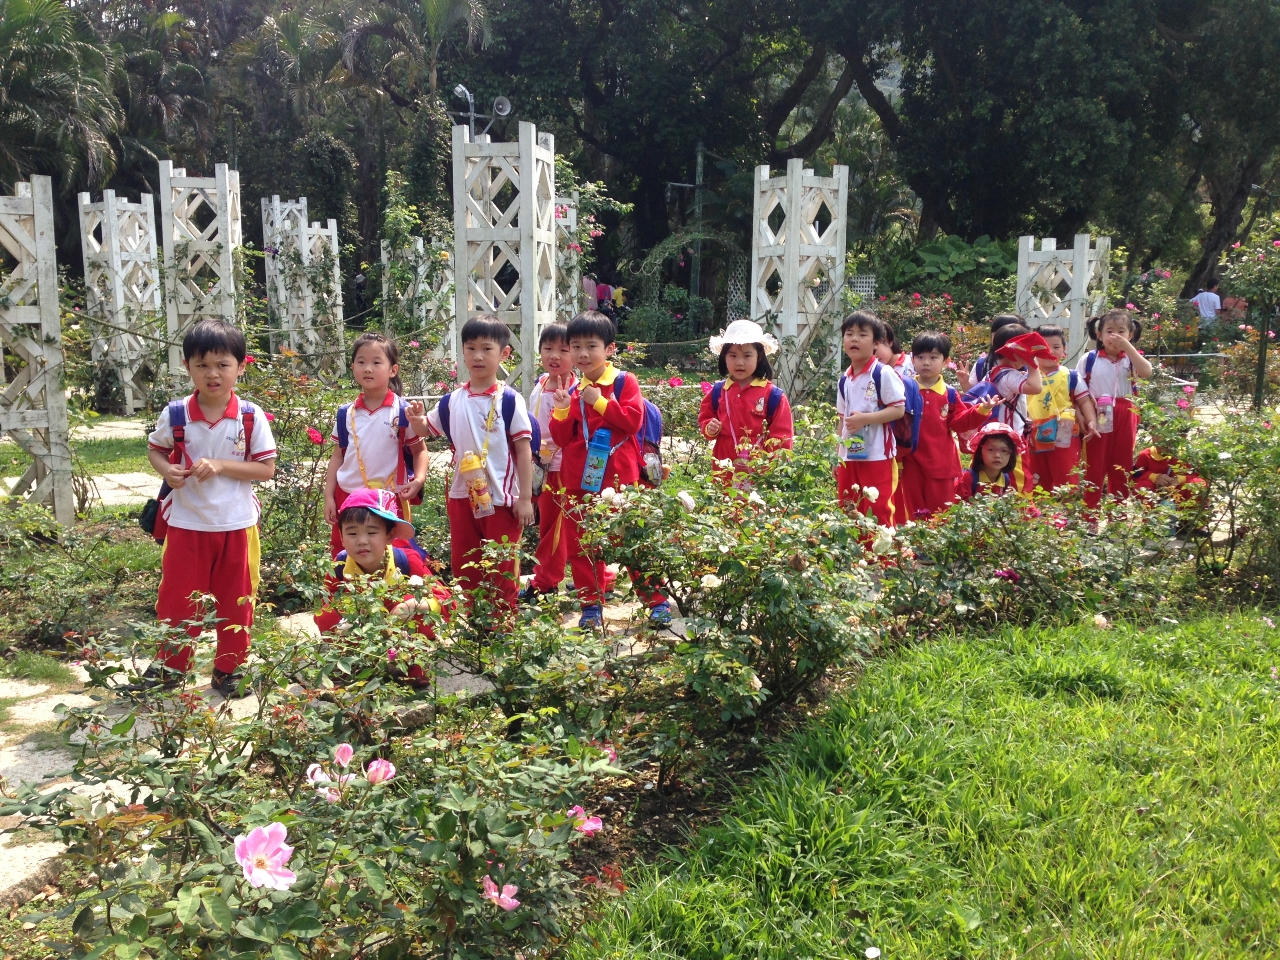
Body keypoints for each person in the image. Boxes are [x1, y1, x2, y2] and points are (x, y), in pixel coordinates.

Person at [139, 319, 277, 696]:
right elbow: (156, 448)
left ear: (241, 366)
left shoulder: (250, 416)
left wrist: (220, 465)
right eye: (202, 365)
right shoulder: (177, 414)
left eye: (222, 365)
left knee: (237, 603)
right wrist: (168, 469)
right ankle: (171, 666)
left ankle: (229, 670)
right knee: (177, 600)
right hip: (186, 525)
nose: (212, 374)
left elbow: (266, 469)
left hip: (237, 525)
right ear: (187, 367)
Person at [549, 310, 672, 629]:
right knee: (582, 545)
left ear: (610, 348)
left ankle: (656, 600)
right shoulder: (574, 390)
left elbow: (633, 421)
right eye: (575, 346)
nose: (582, 353)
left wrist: (599, 401)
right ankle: (591, 605)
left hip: (621, 479)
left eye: (591, 345)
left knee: (632, 539)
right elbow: (563, 440)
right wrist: (561, 410)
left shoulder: (623, 381)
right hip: (581, 480)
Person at [408, 315, 535, 617]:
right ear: (462, 351)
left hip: (503, 500)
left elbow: (523, 449)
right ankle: (477, 624)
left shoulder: (510, 400)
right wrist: (417, 422)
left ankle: (503, 627)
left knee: (502, 566)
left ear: (504, 354)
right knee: (465, 563)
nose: (478, 356)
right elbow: (430, 429)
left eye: (487, 349)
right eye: (471, 348)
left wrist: (527, 499)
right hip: (462, 496)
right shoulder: (452, 400)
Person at [323, 333, 426, 558]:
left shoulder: (403, 411)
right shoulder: (346, 413)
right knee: (345, 553)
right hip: (348, 496)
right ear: (353, 367)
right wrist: (329, 497)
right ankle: (346, 594)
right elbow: (338, 457)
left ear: (393, 370)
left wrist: (418, 481)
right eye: (361, 362)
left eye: (376, 362)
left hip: (388, 497)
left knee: (393, 555)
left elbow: (420, 451)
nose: (367, 368)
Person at [897, 331, 994, 520]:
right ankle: (916, 548)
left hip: (941, 464)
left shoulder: (949, 393)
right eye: (921, 357)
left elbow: (959, 422)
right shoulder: (904, 389)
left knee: (941, 512)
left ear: (945, 361)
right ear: (912, 359)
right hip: (911, 463)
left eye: (933, 357)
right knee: (913, 509)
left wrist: (981, 410)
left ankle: (937, 549)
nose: (926, 362)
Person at [521, 323, 576, 603]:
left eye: (563, 350)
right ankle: (596, 578)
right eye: (548, 348)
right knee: (555, 526)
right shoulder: (541, 383)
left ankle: (546, 581)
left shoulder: (576, 389)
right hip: (540, 466)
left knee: (556, 528)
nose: (555, 356)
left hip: (562, 468)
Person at [1077, 308, 1153, 508]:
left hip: (1126, 413)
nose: (1115, 336)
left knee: (1122, 465)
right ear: (1099, 335)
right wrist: (1082, 416)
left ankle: (1117, 514)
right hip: (1097, 412)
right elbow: (1077, 392)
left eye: (1122, 331)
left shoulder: (1131, 358)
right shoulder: (1089, 359)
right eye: (1110, 331)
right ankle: (1089, 514)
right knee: (1094, 465)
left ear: (1131, 335)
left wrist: (1129, 348)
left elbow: (1147, 372)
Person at [836, 311, 906, 526]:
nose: (854, 339)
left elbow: (898, 409)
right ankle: (855, 557)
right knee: (848, 507)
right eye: (849, 334)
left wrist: (865, 419)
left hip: (877, 455)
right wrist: (837, 456)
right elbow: (842, 419)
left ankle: (882, 559)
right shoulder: (844, 379)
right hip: (850, 456)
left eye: (862, 334)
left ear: (876, 343)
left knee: (878, 509)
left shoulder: (883, 373)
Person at [698, 319, 794, 475]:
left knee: (756, 500)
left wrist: (773, 467)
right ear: (724, 357)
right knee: (724, 499)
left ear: (760, 356)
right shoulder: (718, 391)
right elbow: (705, 418)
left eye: (747, 355)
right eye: (733, 355)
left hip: (759, 470)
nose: (739, 362)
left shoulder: (773, 395)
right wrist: (710, 427)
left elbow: (782, 437)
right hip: (724, 467)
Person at [1025, 324, 1099, 492]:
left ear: (1064, 350)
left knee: (1066, 478)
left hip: (1064, 435)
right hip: (1034, 437)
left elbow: (1084, 401)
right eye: (1043, 347)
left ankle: (1066, 515)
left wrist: (1092, 421)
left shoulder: (1071, 376)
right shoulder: (1026, 377)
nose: (1050, 351)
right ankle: (1041, 515)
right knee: (1037, 478)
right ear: (1032, 350)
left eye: (1056, 347)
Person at [954, 422, 1029, 500]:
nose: (997, 455)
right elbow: (957, 507)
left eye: (1004, 450)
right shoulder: (968, 478)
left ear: (1011, 455)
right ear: (980, 453)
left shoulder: (1005, 479)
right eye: (991, 449)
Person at [959, 314, 1024, 391]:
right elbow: (973, 394)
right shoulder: (982, 365)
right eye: (996, 334)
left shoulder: (1027, 364)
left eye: (1007, 334)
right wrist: (965, 383)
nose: (1001, 338)